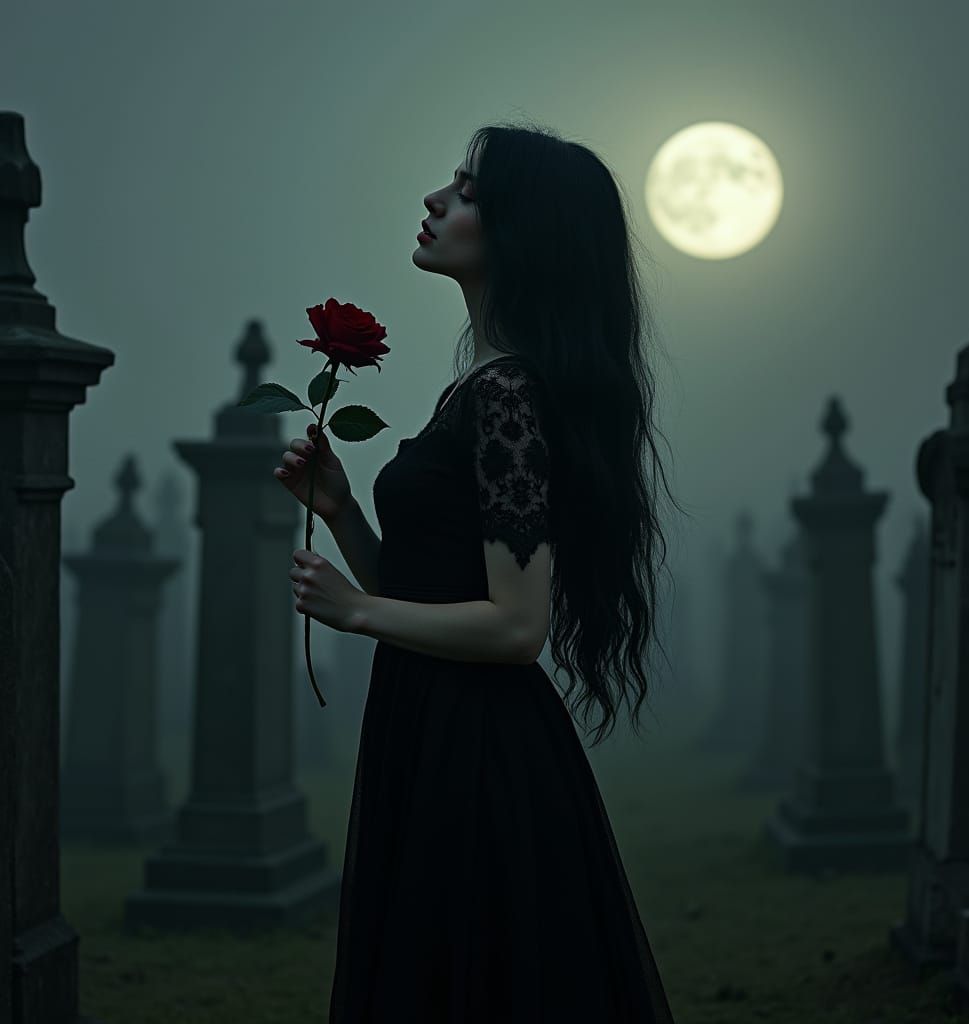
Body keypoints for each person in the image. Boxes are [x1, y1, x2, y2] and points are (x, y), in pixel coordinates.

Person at [277, 120, 684, 1023]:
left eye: (466, 191)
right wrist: (341, 511)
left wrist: (354, 614)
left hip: (477, 752)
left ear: (520, 231)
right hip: (433, 726)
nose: (436, 198)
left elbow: (515, 626)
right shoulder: (481, 386)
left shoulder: (508, 397)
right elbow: (432, 597)